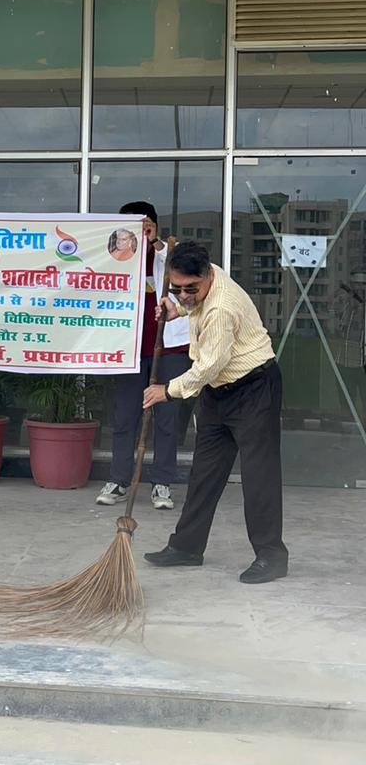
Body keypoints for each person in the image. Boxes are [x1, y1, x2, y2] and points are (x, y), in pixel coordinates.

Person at [143, 241, 287, 584]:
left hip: (254, 388)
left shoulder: (222, 308)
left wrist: (167, 391)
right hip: (218, 392)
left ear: (207, 276)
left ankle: (272, 556)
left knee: (259, 476)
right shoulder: (208, 279)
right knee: (204, 471)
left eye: (190, 289)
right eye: (176, 288)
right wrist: (181, 310)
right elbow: (199, 316)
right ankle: (187, 547)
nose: (183, 294)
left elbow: (208, 366)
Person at [97, 202, 190, 511]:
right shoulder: (115, 256)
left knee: (166, 418)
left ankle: (162, 482)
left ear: (153, 225)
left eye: (142, 225)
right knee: (125, 416)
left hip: (170, 348)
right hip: (130, 349)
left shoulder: (168, 253)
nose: (134, 232)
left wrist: (154, 243)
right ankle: (119, 479)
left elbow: (174, 267)